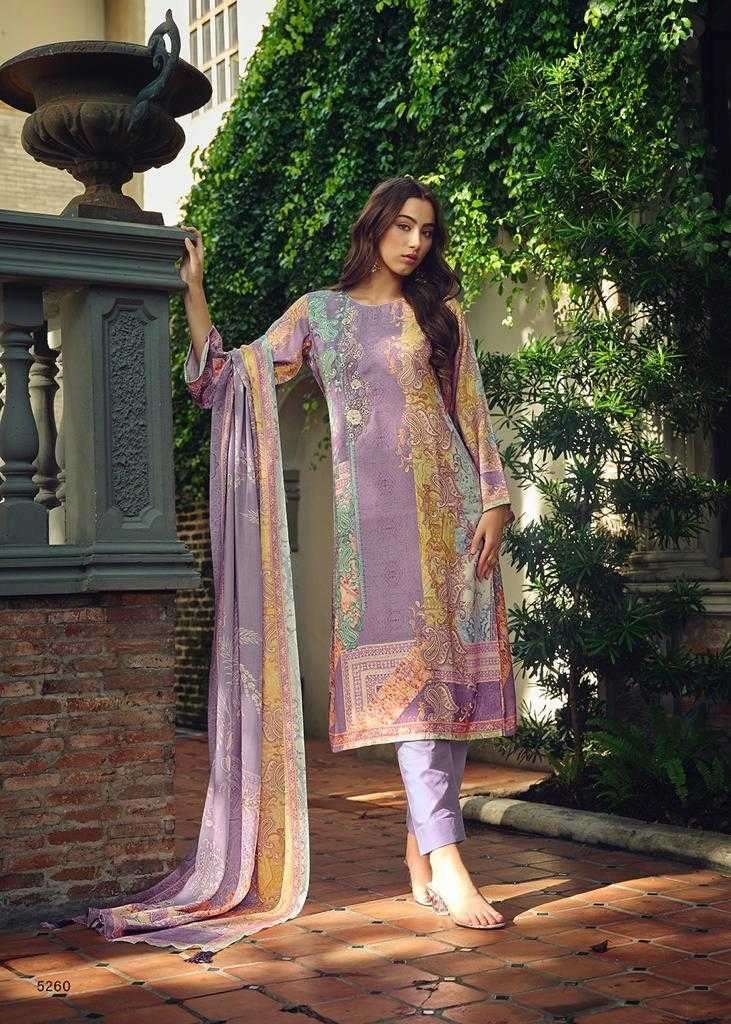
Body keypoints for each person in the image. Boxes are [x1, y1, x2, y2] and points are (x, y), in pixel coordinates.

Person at [181, 175, 517, 931]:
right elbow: (227, 382)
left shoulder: (439, 314)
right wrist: (194, 293)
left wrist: (496, 499)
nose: (415, 242)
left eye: (426, 230)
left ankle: (423, 849)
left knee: (451, 693)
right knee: (412, 697)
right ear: (374, 227)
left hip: (455, 518)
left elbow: (470, 409)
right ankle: (451, 863)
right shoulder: (319, 316)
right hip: (376, 534)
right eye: (403, 226)